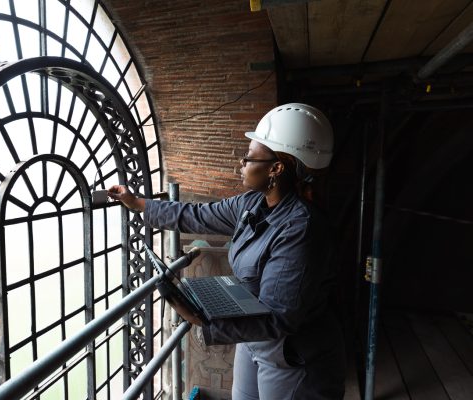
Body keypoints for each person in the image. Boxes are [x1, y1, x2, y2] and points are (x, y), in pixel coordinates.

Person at [108, 103, 346, 399]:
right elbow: (195, 215)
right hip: (253, 335)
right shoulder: (250, 204)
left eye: (249, 157)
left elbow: (281, 318)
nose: (241, 164)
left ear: (276, 168)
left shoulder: (301, 228)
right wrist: (138, 204)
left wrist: (203, 319)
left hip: (292, 353)